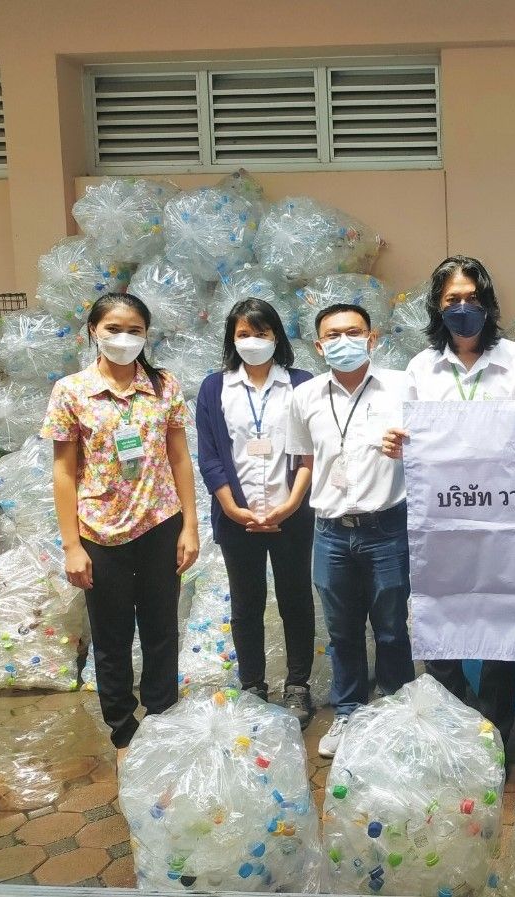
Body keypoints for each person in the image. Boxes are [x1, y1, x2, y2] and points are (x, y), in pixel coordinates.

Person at [384, 255, 515, 751]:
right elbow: (405, 434)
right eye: (452, 300)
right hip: (441, 520)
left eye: (472, 298)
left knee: (503, 619)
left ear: (488, 303)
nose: (463, 307)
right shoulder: (420, 368)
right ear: (437, 307)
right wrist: (396, 442)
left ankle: (494, 732)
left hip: (506, 518)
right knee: (436, 613)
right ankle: (450, 728)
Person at [42, 292, 199, 762]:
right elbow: (64, 471)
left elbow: (179, 457)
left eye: (134, 329)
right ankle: (122, 727)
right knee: (111, 635)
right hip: (100, 532)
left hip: (159, 524)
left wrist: (190, 526)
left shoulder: (164, 385)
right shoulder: (72, 391)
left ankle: (162, 712)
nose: (124, 338)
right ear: (93, 331)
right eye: (113, 328)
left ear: (147, 335)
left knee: (161, 627)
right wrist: (72, 545)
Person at [286, 302, 415, 758]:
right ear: (319, 346)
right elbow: (303, 459)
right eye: (333, 335)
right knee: (341, 631)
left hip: (387, 526)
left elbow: (436, 445)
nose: (344, 342)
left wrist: (410, 450)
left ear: (372, 338)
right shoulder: (304, 397)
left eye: (353, 332)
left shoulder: (402, 386)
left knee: (392, 628)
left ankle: (400, 714)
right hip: (330, 530)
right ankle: (348, 713)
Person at [196, 298, 316, 725]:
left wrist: (291, 504)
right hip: (237, 518)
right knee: (246, 603)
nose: (253, 342)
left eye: (261, 334)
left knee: (296, 599)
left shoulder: (302, 384)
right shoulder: (215, 387)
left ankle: (298, 686)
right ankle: (252, 686)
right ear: (232, 338)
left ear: (277, 337)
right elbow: (209, 455)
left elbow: (309, 453)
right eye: (244, 334)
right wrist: (231, 507)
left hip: (292, 514)